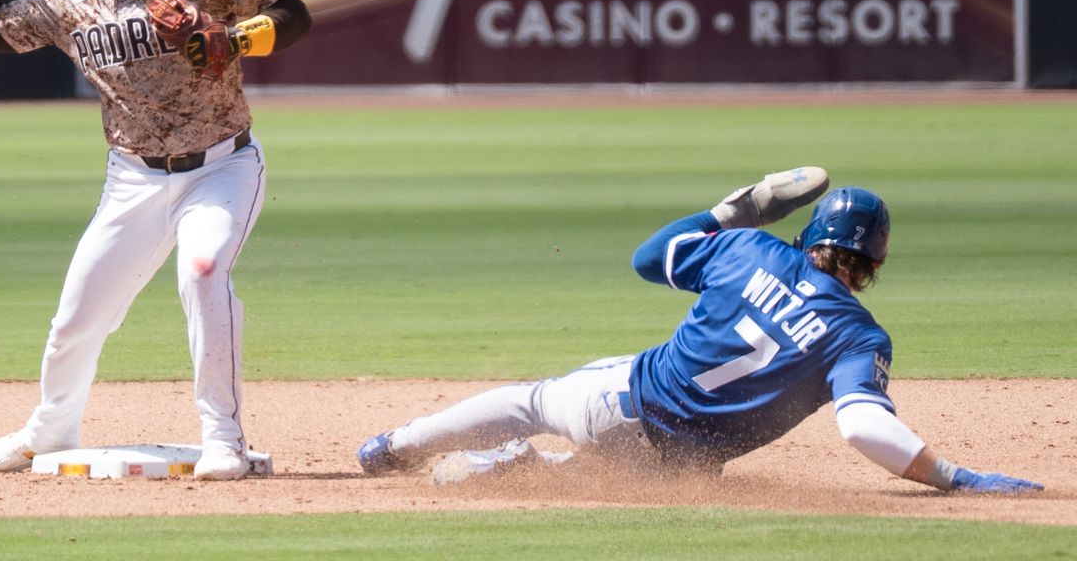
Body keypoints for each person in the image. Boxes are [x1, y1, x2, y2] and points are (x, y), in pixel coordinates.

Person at [357, 167, 1043, 494]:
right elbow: (865, 427)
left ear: (809, 235)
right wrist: (954, 477)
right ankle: (495, 473)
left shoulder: (750, 249)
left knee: (536, 402)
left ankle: (398, 446)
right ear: (875, 264)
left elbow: (647, 258)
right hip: (674, 467)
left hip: (614, 405)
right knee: (640, 470)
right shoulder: (862, 339)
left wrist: (729, 212)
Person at [0, 0, 312, 480]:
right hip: (133, 178)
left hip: (222, 165)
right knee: (77, 318)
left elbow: (294, 13)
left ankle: (223, 438)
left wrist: (234, 39)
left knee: (202, 272)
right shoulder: (68, 0)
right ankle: (48, 431)